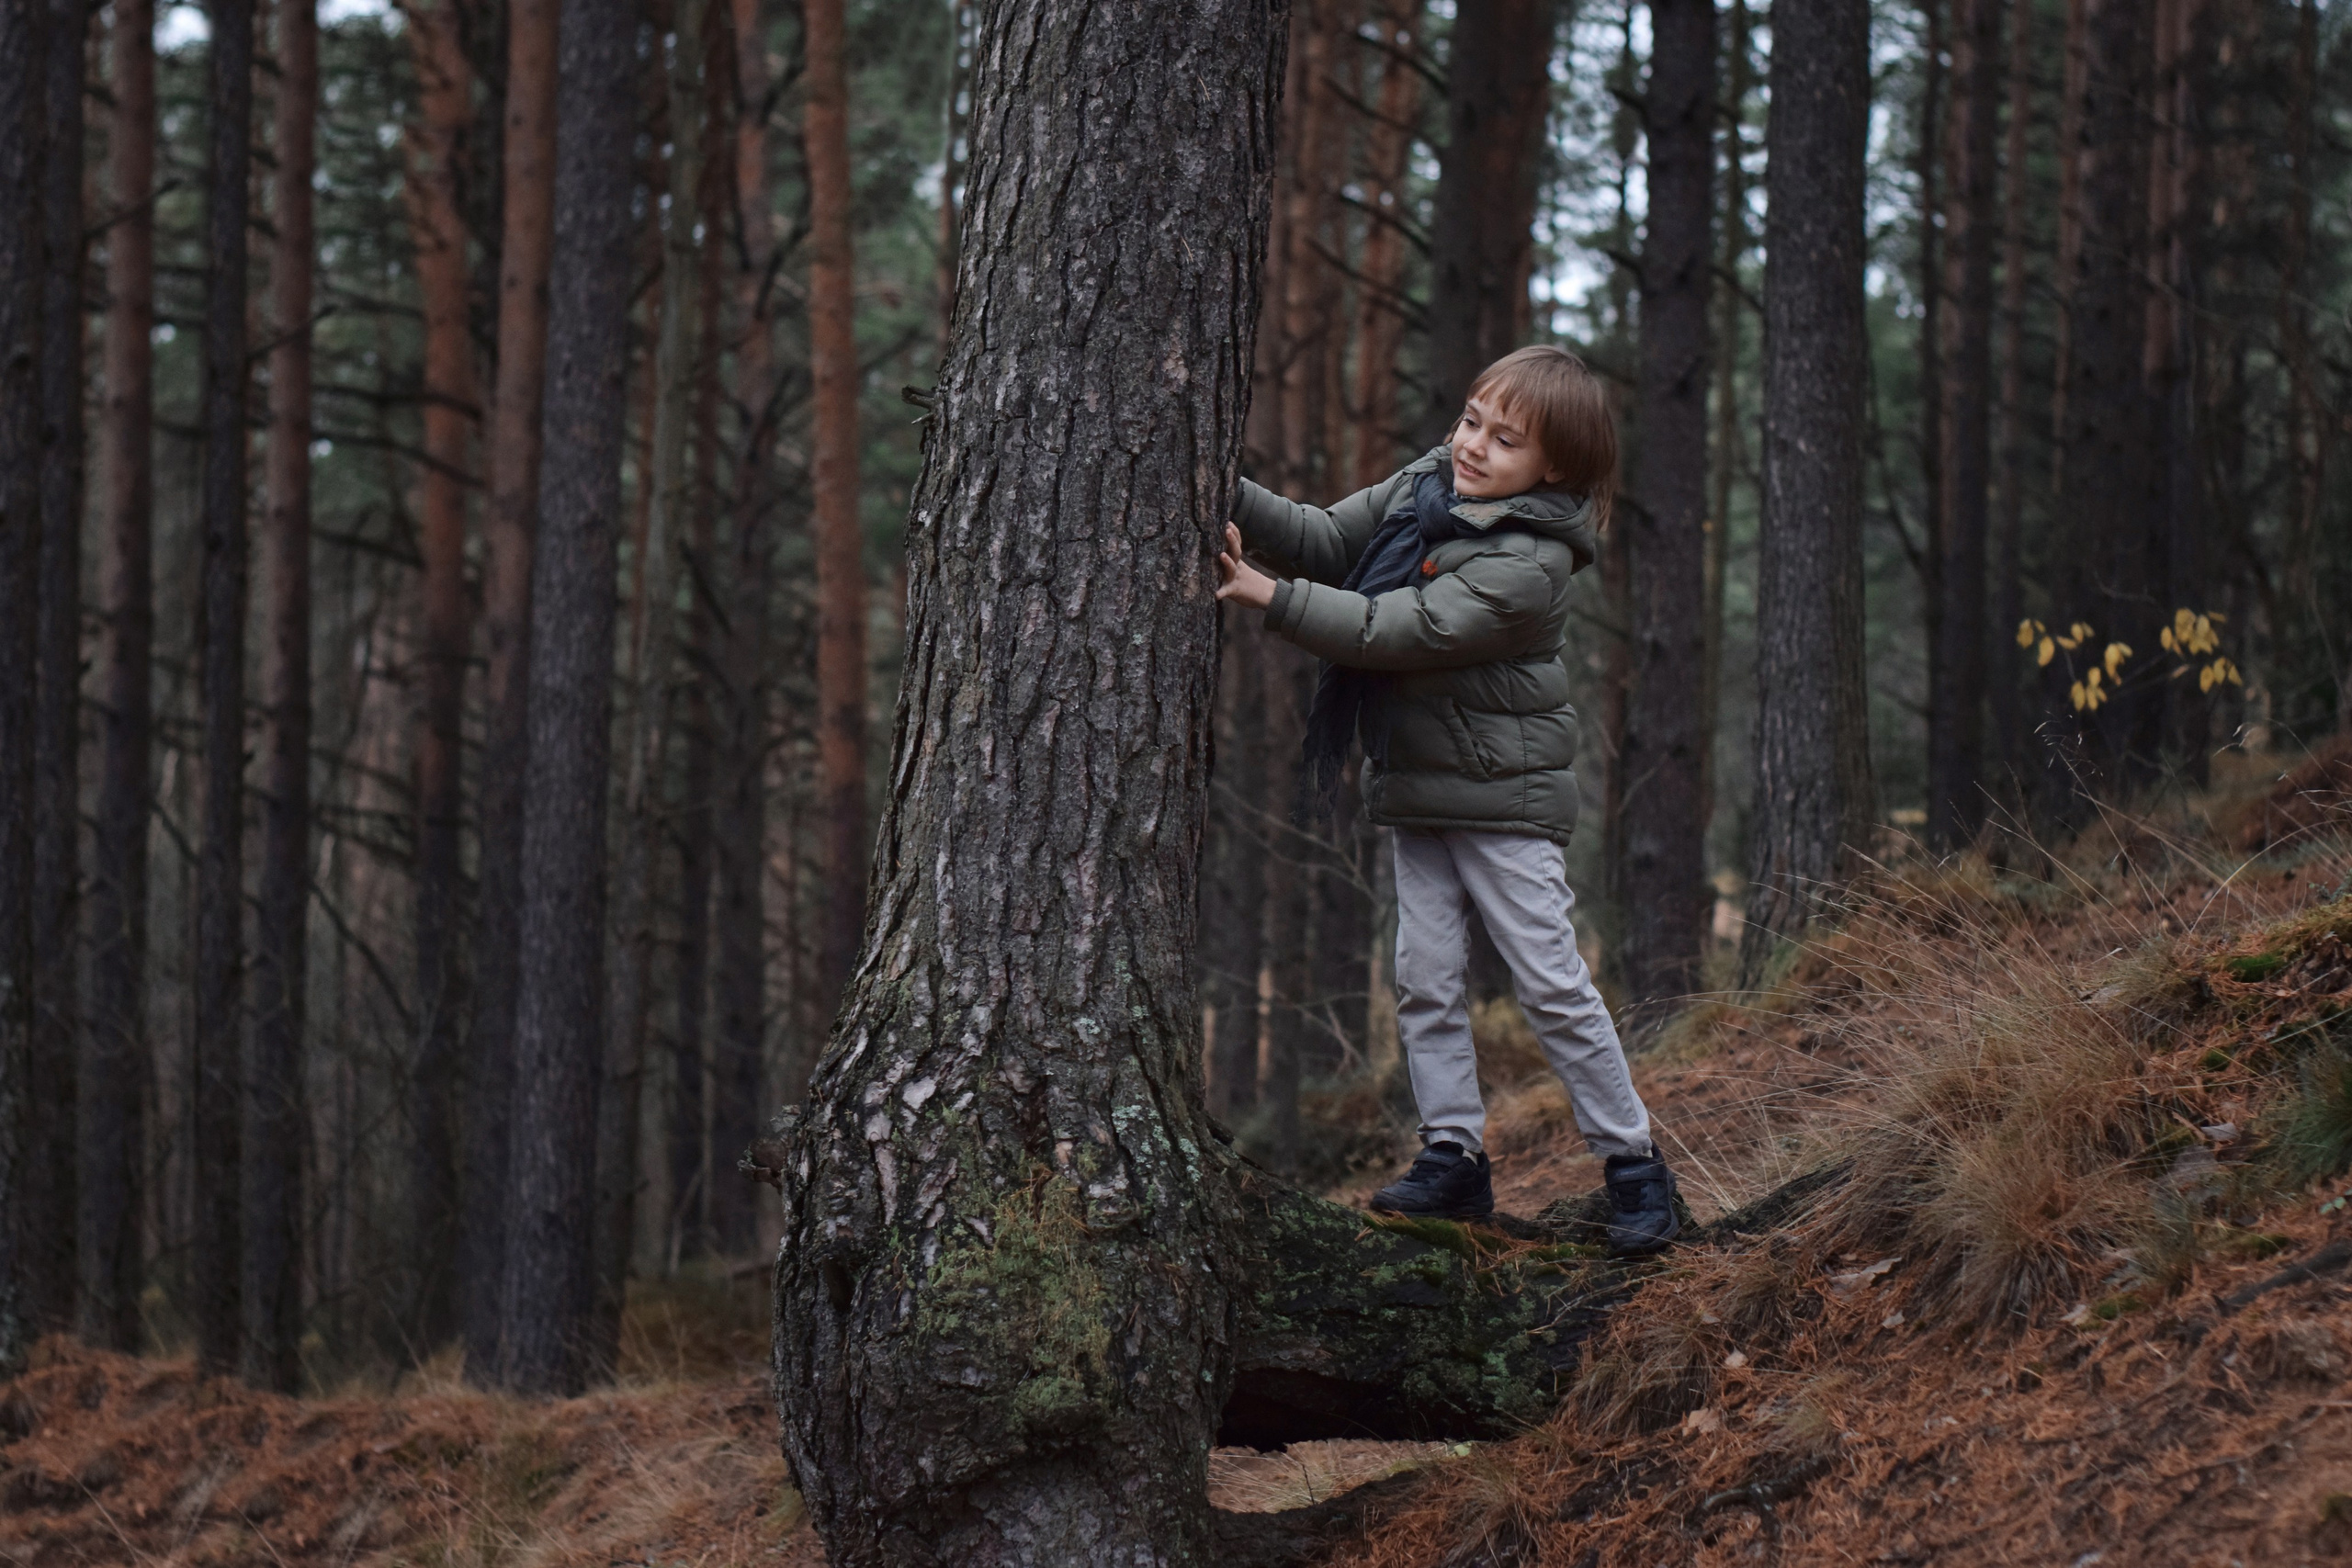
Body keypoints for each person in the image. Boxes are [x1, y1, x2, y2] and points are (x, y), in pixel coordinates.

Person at [1214, 344, 1679, 1257]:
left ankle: (1633, 1166)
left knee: (1550, 986)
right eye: (1471, 420)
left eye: (1504, 441)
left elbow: (1402, 630)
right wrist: (1216, 485)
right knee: (1424, 981)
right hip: (1421, 789)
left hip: (1503, 803)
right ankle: (1453, 1159)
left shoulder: (1531, 562)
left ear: (1554, 469)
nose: (1471, 446)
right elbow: (1322, 538)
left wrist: (1264, 595)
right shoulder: (1430, 485)